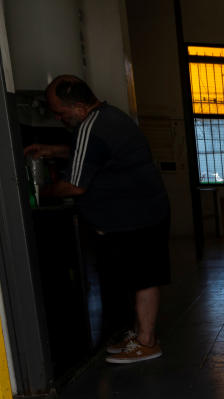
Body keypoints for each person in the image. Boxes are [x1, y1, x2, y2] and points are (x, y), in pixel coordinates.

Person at [25, 75, 170, 364]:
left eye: (61, 113)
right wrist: (54, 150)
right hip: (145, 213)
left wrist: (38, 192)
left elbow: (75, 185)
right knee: (141, 277)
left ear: (79, 107)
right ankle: (141, 334)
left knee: (143, 279)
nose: (58, 118)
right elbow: (96, 154)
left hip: (137, 217)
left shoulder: (90, 127)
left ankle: (147, 342)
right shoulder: (110, 116)